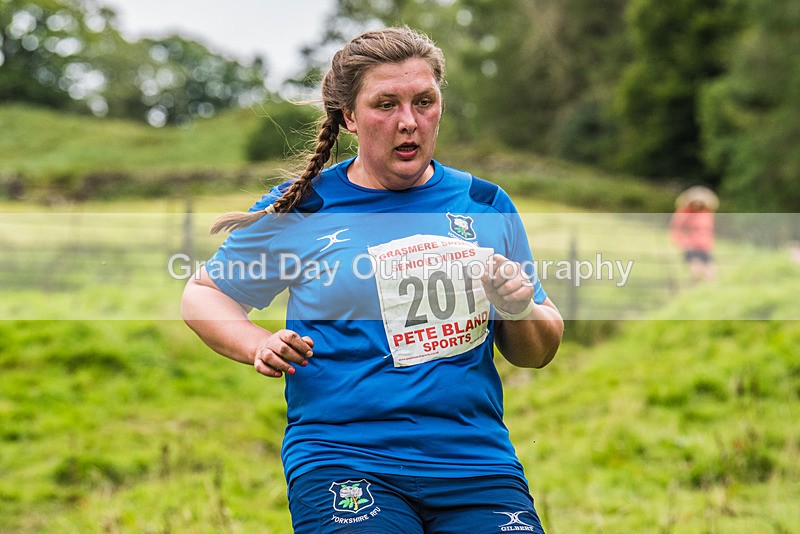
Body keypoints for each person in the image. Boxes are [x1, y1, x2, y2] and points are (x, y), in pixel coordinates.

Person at [182, 27, 563, 534]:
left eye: (424, 101)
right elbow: (204, 294)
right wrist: (258, 342)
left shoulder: (485, 205)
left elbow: (537, 350)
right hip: (344, 460)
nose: (409, 122)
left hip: (475, 464)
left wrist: (519, 307)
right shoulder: (305, 208)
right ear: (349, 117)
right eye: (386, 104)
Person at [670, 185, 719, 282]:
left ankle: (707, 290)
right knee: (696, 270)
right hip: (691, 245)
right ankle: (694, 288)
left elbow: (708, 230)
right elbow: (677, 228)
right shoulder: (684, 212)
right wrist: (681, 241)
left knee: (711, 271)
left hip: (704, 246)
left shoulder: (706, 213)